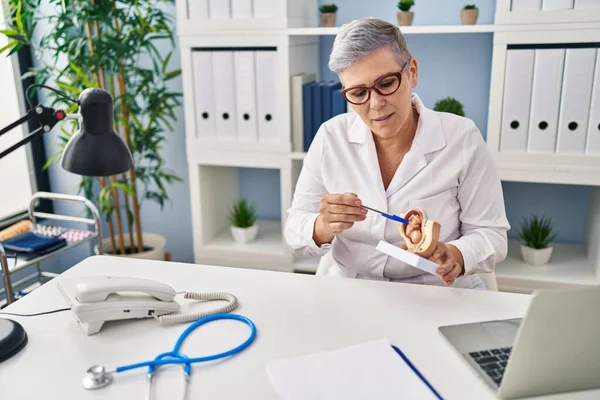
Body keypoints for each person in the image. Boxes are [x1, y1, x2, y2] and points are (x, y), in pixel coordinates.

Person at [283, 17, 510, 290]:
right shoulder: (331, 137)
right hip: (354, 288)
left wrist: (457, 256)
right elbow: (294, 228)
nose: (376, 104)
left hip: (434, 288)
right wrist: (322, 226)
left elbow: (492, 235)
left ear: (411, 72)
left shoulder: (462, 138)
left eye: (386, 83)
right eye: (358, 92)